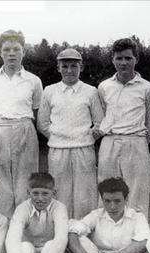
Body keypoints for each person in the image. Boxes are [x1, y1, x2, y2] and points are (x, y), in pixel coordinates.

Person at [0, 29, 43, 218]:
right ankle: (2, 227)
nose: (11, 53)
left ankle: (24, 226)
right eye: (6, 49)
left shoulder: (33, 80)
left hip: (24, 129)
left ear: (23, 51)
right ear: (0, 52)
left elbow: (36, 110)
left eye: (16, 49)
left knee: (26, 180)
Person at [37, 48, 103, 219]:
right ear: (58, 68)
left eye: (74, 66)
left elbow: (99, 122)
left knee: (85, 194)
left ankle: (83, 232)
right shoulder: (49, 91)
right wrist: (58, 138)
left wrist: (86, 137)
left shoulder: (91, 91)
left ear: (81, 67)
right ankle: (61, 231)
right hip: (58, 151)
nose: (69, 71)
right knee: (60, 192)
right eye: (64, 66)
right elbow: (42, 123)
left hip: (84, 150)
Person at [97, 38, 150, 216]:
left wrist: (138, 142)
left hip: (136, 142)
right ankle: (106, 237)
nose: (123, 63)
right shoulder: (104, 87)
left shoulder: (149, 88)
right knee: (107, 191)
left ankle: (137, 238)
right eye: (119, 58)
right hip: (109, 142)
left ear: (136, 59)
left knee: (136, 193)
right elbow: (102, 117)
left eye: (128, 58)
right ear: (112, 59)